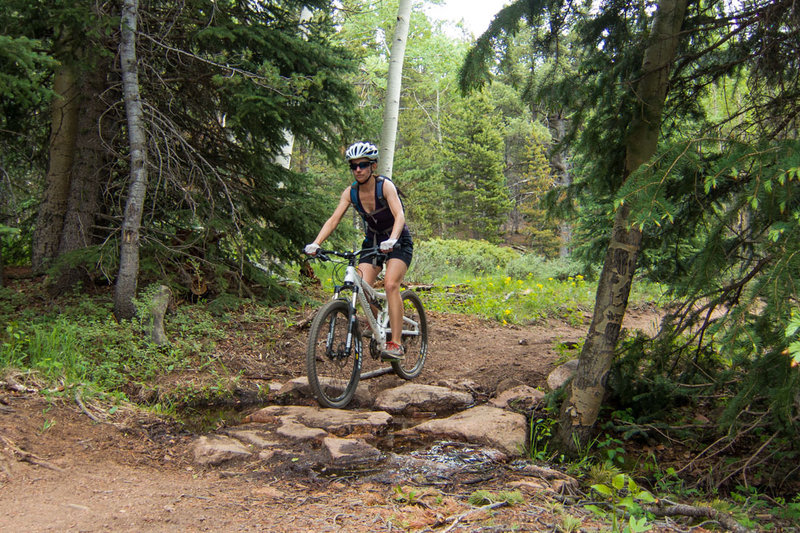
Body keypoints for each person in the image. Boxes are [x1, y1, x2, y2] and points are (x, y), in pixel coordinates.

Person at [304, 141, 413, 360]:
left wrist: (392, 240)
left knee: (391, 284)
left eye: (363, 165)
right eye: (353, 166)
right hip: (372, 241)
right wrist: (316, 243)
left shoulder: (385, 186)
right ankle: (378, 325)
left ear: (373, 166)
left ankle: (396, 343)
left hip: (398, 239)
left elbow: (399, 214)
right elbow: (334, 219)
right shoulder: (350, 193)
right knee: (361, 286)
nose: (358, 170)